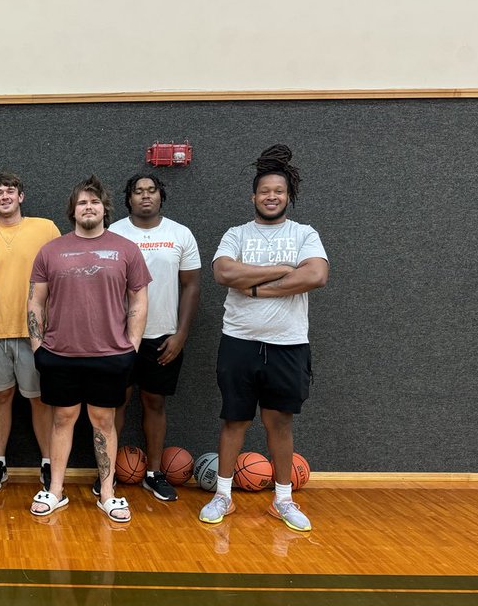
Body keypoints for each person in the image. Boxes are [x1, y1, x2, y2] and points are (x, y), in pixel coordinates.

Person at [200, 145, 328, 533]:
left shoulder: (305, 234)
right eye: (264, 191)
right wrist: (280, 270)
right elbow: (223, 273)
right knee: (234, 420)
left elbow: (316, 276)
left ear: (288, 197)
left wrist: (255, 286)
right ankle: (223, 494)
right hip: (239, 340)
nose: (271, 196)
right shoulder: (236, 234)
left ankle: (283, 501)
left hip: (288, 344)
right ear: (253, 196)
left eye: (279, 191)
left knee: (279, 423)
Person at [27, 176, 150, 524]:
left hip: (110, 355)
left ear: (104, 208)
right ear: (73, 211)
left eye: (94, 202)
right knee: (62, 419)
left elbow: (139, 300)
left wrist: (131, 347)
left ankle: (108, 494)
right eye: (82, 203)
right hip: (60, 354)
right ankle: (55, 491)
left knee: (104, 422)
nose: (89, 207)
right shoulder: (51, 250)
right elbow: (36, 302)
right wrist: (38, 346)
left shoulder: (126, 249)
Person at [108, 173, 201, 502]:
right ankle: (106, 477)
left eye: (151, 191)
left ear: (161, 196)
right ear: (129, 198)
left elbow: (191, 286)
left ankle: (154, 472)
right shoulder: (114, 233)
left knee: (155, 402)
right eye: (138, 191)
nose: (145, 196)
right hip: (117, 336)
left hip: (162, 335)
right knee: (114, 402)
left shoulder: (180, 234)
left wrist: (181, 334)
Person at [0, 172, 60, 492]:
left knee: (40, 400)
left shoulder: (45, 228)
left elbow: (60, 275)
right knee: (0, 398)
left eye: (10, 191)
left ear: (21, 197)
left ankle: (49, 463)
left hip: (36, 332)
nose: (5, 196)